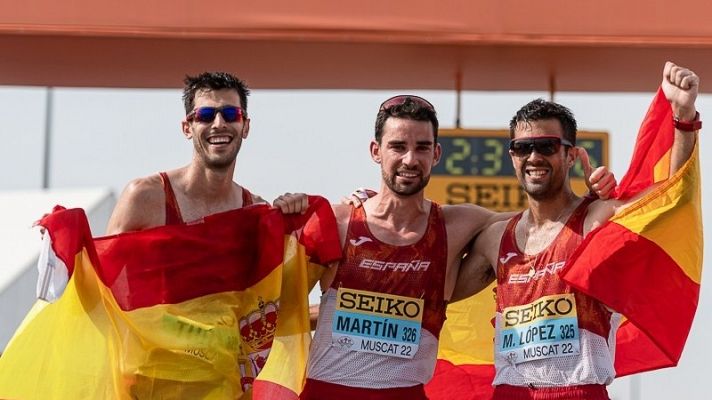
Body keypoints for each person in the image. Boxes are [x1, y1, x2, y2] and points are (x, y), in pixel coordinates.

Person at [279, 94, 614, 399]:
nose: (410, 159)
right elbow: (272, 306)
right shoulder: (336, 223)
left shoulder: (462, 225)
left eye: (423, 148)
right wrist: (286, 208)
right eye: (398, 146)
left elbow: (549, 222)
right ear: (375, 151)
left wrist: (594, 199)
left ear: (436, 154)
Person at [452, 61, 699, 400]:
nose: (534, 156)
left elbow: (668, 201)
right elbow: (434, 289)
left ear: (571, 155)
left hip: (580, 392)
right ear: (512, 157)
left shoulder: (597, 221)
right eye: (523, 147)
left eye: (548, 146)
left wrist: (683, 119)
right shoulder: (495, 239)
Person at [107, 71, 263, 234]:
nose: (218, 124)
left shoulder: (258, 212)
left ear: (246, 127)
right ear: (187, 128)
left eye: (231, 114)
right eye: (205, 115)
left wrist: (290, 213)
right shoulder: (143, 198)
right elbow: (100, 259)